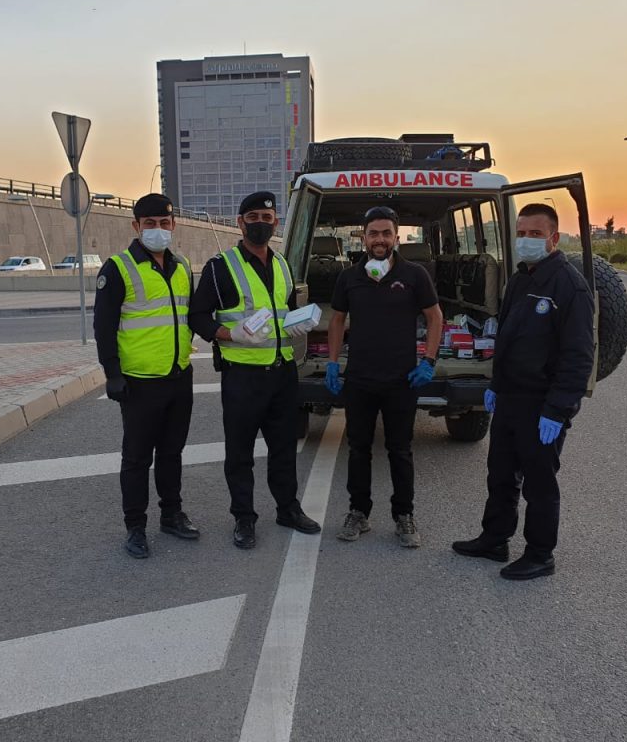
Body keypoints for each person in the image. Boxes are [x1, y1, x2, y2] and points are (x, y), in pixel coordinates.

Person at [452, 203, 595, 580]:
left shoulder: (569, 286)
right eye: (521, 233)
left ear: (553, 238)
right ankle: (495, 538)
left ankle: (540, 553)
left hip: (542, 404)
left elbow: (579, 356)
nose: (527, 241)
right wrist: (495, 386)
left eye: (535, 234)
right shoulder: (520, 279)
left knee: (539, 482)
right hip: (511, 398)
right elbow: (508, 339)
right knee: (500, 473)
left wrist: (558, 409)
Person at [188, 191, 320, 549]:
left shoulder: (282, 265)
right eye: (253, 218)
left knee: (283, 449)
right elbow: (197, 316)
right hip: (243, 375)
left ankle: (288, 508)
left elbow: (286, 309)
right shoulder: (220, 267)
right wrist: (228, 333)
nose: (260, 224)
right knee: (240, 453)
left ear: (275, 222)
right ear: (239, 222)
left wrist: (297, 323)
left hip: (282, 372)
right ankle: (244, 519)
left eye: (267, 218)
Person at [325, 206, 443, 548]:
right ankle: (358, 513)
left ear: (396, 237)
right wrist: (333, 363)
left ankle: (403, 515)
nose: (379, 239)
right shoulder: (350, 277)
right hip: (360, 380)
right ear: (364, 237)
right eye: (373, 233)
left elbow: (435, 317)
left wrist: (429, 361)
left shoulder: (414, 274)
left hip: (401, 381)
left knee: (400, 450)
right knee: (358, 449)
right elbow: (336, 320)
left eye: (386, 233)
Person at [93, 193, 199, 559]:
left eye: (164, 223)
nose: (158, 230)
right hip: (138, 381)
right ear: (136, 226)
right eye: (150, 224)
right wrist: (112, 374)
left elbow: (191, 317)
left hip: (178, 375)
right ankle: (135, 527)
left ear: (174, 225)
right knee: (137, 458)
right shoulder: (118, 268)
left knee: (172, 452)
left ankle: (171, 514)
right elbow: (103, 326)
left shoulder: (182, 266)